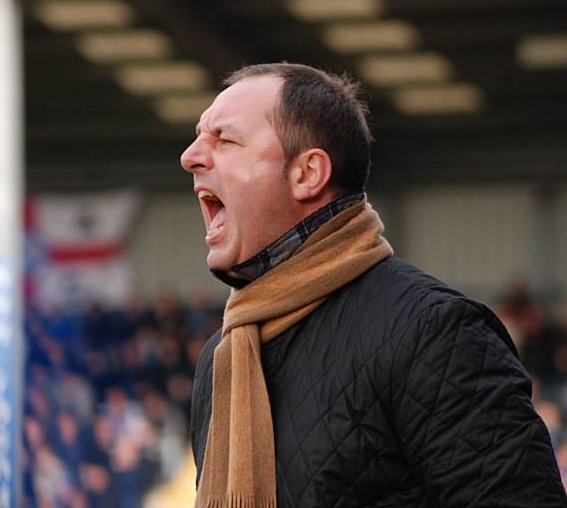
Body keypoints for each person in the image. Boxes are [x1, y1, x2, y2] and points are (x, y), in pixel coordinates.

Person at [180, 63, 567, 508]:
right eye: (198, 137)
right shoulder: (222, 358)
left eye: (224, 140)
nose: (190, 156)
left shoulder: (431, 331)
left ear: (307, 174)